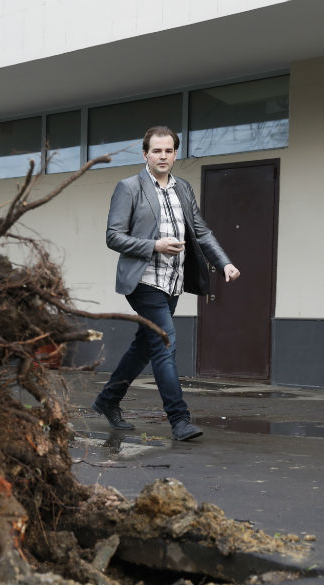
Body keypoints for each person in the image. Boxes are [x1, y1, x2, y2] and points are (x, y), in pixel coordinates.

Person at [92, 126, 241, 441]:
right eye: (156, 150)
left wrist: (224, 262)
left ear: (175, 153)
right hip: (144, 280)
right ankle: (179, 419)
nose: (163, 156)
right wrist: (154, 245)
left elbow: (200, 231)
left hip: (172, 281)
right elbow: (113, 236)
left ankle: (108, 400)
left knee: (144, 347)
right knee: (165, 343)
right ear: (145, 154)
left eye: (169, 150)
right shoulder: (130, 187)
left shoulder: (183, 188)